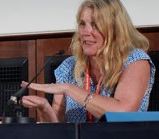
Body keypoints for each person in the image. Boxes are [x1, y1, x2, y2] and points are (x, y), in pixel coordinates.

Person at [21, 0, 155, 123]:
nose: (86, 31)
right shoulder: (68, 67)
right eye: (82, 24)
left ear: (115, 29)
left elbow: (123, 113)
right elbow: (56, 130)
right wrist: (44, 108)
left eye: (95, 25)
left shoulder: (135, 60)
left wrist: (68, 88)